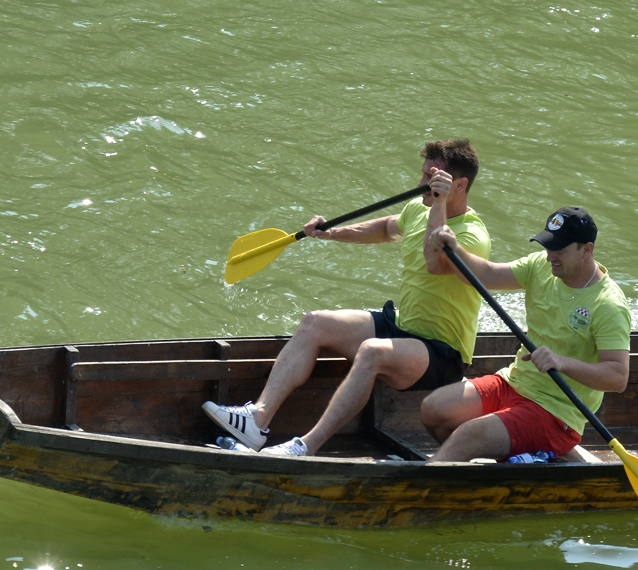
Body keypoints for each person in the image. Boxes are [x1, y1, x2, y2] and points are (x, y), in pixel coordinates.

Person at [205, 139, 490, 457]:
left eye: (432, 177)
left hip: (441, 354)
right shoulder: (417, 210)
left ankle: (304, 447)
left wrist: (438, 205)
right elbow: (384, 228)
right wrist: (333, 232)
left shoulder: (472, 237)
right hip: (403, 327)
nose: (422, 184)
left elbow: (432, 262)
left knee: (372, 352)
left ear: (460, 184)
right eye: (423, 175)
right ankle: (256, 421)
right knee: (316, 322)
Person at [419, 207, 632, 462]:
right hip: (514, 382)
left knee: (467, 435)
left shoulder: (608, 305)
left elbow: (618, 378)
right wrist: (454, 248)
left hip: (557, 412)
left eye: (560, 250)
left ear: (587, 249)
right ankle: (482, 471)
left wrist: (562, 362)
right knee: (433, 409)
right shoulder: (539, 267)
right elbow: (486, 274)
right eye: (548, 246)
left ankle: (433, 484)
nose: (550, 256)